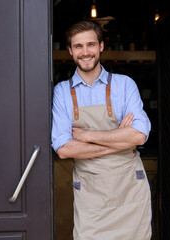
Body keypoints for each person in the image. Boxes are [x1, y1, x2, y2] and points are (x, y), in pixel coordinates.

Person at [51, 20, 152, 239]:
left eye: (91, 45)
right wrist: (119, 141)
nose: (85, 52)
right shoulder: (62, 92)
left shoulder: (125, 84)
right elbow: (64, 149)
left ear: (101, 47)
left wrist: (87, 136)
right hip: (91, 193)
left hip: (130, 190)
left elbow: (139, 135)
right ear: (70, 51)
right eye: (78, 46)